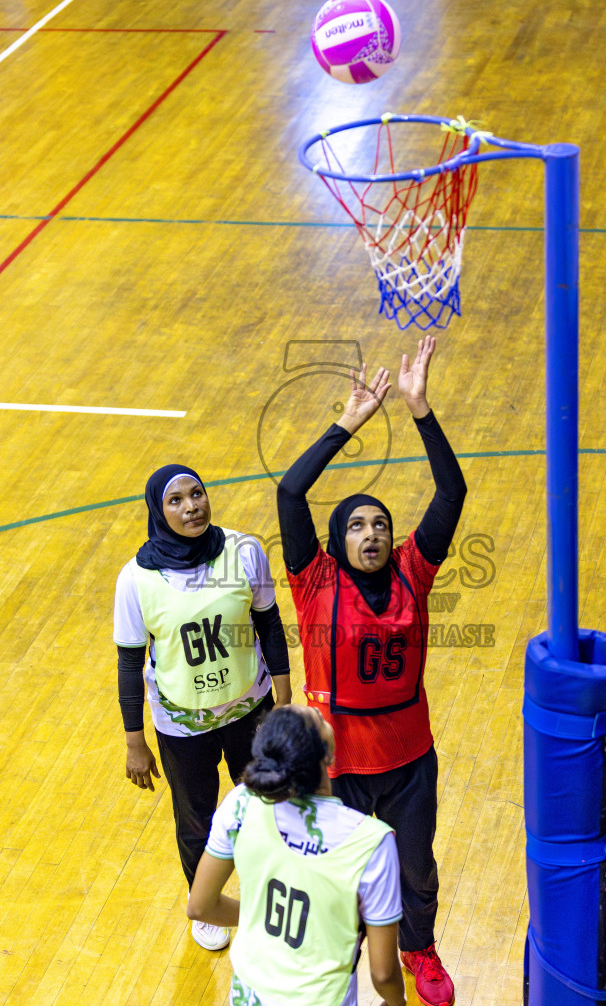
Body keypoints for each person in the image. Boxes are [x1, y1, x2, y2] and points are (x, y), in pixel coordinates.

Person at [276, 336, 466, 1006]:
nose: (372, 533)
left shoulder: (415, 569)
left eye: (380, 524)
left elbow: (451, 491)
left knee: (416, 871)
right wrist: (346, 424)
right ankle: (339, 961)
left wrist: (420, 410)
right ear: (338, 539)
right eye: (356, 525)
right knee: (339, 877)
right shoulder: (314, 580)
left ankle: (420, 948)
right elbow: (290, 491)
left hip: (410, 759)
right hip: (340, 765)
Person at [114, 464, 291, 951]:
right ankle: (206, 903)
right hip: (182, 725)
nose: (191, 506)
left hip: (252, 710)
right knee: (195, 820)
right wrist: (134, 742)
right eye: (176, 500)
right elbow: (129, 663)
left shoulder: (244, 550)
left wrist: (284, 699)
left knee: (270, 806)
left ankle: (274, 898)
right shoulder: (135, 579)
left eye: (197, 494)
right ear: (158, 511)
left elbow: (269, 623)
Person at [188, 703, 406, 1006]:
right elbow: (383, 974)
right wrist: (398, 1003)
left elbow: (200, 907)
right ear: (329, 755)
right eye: (318, 719)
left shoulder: (241, 802)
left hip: (249, 995)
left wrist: (260, 915)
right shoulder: (372, 841)